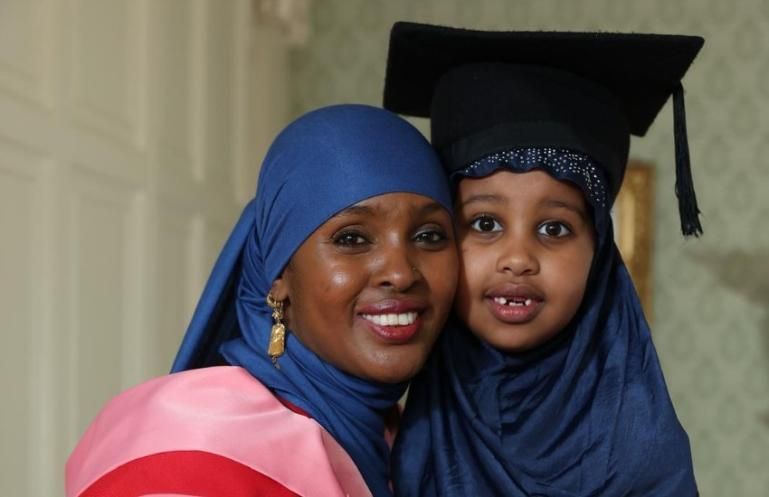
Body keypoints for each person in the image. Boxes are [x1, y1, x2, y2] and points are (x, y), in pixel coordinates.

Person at [65, 104, 458, 497]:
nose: (402, 273)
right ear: (278, 275)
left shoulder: (400, 441)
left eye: (429, 236)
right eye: (352, 238)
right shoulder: (191, 450)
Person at [383, 23, 703, 496]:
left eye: (554, 229)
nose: (517, 259)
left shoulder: (643, 456)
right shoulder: (380, 431)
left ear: (598, 254)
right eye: (485, 224)